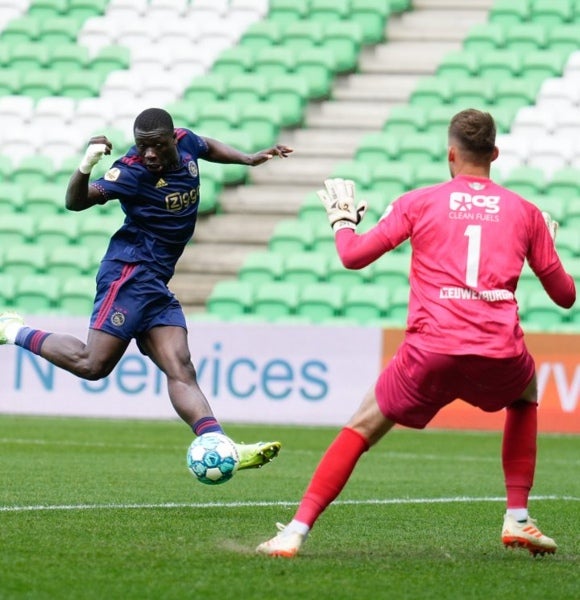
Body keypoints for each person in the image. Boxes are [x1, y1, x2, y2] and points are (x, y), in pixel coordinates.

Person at [256, 108, 576, 558]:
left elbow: (353, 257)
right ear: (495, 154)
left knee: (363, 425)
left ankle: (295, 530)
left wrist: (343, 222)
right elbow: (565, 296)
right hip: (498, 349)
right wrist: (547, 246)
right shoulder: (525, 213)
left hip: (432, 347)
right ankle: (518, 517)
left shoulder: (418, 202)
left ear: (450, 154)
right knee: (525, 391)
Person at [0, 107, 294, 471]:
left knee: (182, 368)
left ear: (172, 139)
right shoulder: (131, 170)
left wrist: (247, 159)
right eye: (142, 146)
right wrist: (85, 165)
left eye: (156, 146)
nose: (149, 154)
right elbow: (74, 202)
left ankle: (220, 444)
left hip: (155, 282)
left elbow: (208, 147)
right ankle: (12, 329)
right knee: (93, 365)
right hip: (128, 274)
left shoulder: (186, 143)